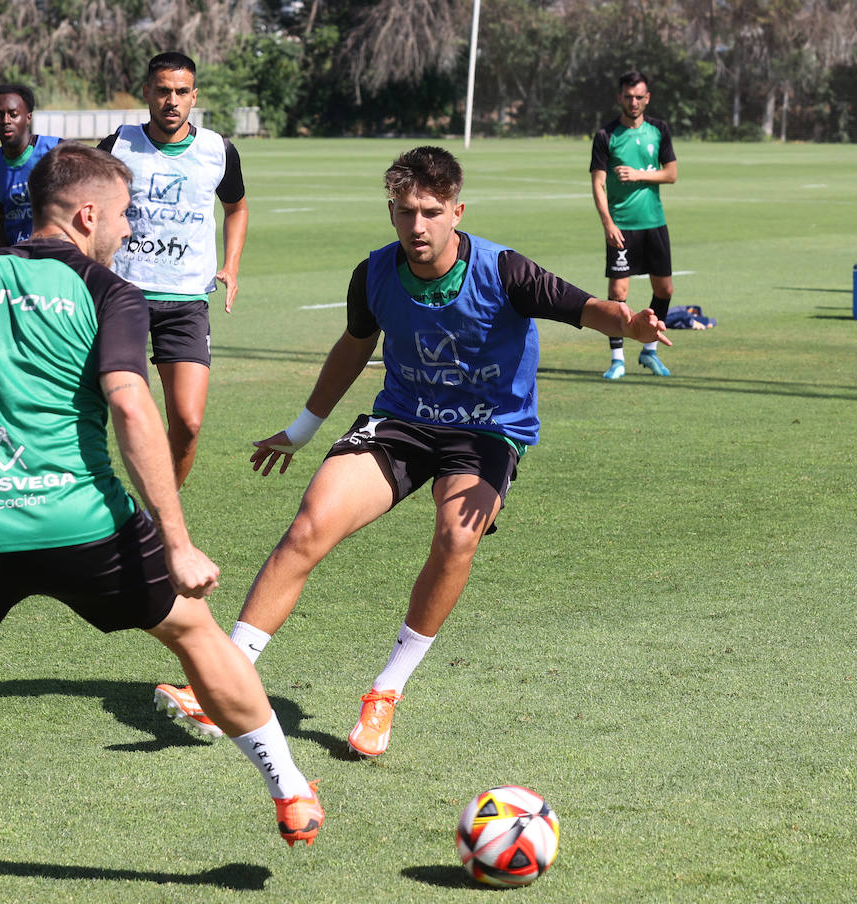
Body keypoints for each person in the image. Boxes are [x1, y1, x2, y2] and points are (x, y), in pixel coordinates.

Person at [0, 144, 321, 904]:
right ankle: (291, 788)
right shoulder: (111, 291)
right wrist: (176, 540)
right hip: (83, 525)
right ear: (86, 214)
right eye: (125, 213)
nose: (131, 228)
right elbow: (133, 405)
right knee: (196, 632)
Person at [154, 146, 669, 758]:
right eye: (403, 212)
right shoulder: (372, 273)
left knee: (456, 539)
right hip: (401, 422)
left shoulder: (504, 271)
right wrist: (302, 428)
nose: (416, 227)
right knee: (309, 526)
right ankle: (225, 681)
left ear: (457, 210)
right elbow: (353, 348)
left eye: (429, 212)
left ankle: (386, 692)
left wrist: (628, 326)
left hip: (485, 431)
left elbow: (582, 307)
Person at [97, 51, 248, 487]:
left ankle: (160, 514)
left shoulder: (218, 151)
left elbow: (236, 209)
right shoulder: (117, 146)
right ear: (146, 92)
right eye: (162, 90)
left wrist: (232, 266)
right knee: (112, 411)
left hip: (185, 302)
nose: (171, 101)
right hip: (121, 298)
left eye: (182, 92)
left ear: (194, 96)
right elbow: (85, 206)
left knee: (188, 422)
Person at [590, 69, 678, 380]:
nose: (634, 102)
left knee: (664, 289)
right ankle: (617, 360)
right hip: (622, 225)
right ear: (620, 98)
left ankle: (650, 351)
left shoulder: (659, 130)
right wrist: (607, 223)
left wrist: (639, 174)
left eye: (639, 96)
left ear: (647, 98)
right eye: (628, 96)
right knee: (618, 291)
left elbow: (671, 174)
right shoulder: (606, 135)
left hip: (654, 222)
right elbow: (598, 184)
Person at [0, 83, 62, 246]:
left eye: (13, 114)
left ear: (28, 117)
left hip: (57, 257)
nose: (6, 121)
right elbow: (3, 216)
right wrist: (1, 257)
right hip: (19, 257)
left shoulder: (57, 150)